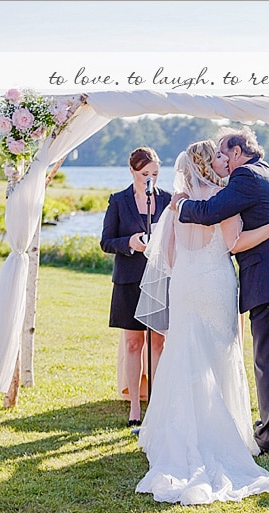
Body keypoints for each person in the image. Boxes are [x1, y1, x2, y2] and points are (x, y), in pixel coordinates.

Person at [135, 140, 269, 504]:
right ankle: (224, 432)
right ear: (209, 165)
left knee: (184, 352)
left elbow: (168, 257)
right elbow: (234, 243)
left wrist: (189, 271)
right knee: (220, 355)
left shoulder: (176, 205)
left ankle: (172, 434)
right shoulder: (223, 200)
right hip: (217, 281)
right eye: (217, 157)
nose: (223, 161)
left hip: (186, 283)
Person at [172, 126, 269, 454]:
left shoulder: (246, 177)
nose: (222, 161)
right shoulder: (266, 173)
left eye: (223, 153)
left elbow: (213, 211)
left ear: (238, 152)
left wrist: (181, 206)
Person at [100, 147, 171, 429]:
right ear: (132, 171)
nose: (149, 178)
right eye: (144, 174)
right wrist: (130, 242)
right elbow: (106, 241)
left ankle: (157, 401)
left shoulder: (166, 199)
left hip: (159, 279)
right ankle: (133, 405)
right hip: (129, 280)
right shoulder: (118, 201)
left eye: (154, 173)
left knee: (158, 342)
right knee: (133, 343)